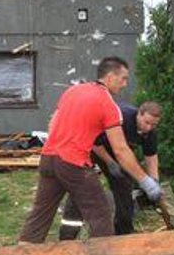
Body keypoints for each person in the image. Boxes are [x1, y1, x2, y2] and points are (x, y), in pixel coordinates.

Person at [18, 57, 163, 243]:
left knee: (40, 214)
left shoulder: (72, 91)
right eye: (123, 78)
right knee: (100, 214)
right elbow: (121, 150)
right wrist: (145, 181)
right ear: (110, 77)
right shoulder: (108, 104)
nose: (125, 84)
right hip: (74, 163)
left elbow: (53, 122)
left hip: (48, 158)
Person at [59, 101, 162, 240]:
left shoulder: (150, 133)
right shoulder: (121, 118)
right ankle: (68, 235)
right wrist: (110, 163)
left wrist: (153, 181)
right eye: (147, 122)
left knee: (124, 186)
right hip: (90, 145)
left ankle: (123, 233)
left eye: (153, 125)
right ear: (139, 114)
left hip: (116, 150)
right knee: (82, 185)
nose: (149, 128)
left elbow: (151, 156)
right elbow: (95, 142)